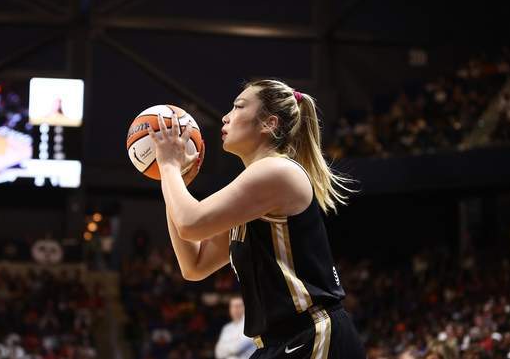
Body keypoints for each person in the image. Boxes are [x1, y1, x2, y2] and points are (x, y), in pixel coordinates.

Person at [148, 79, 365, 359]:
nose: (225, 116)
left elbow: (190, 223)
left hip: (312, 334)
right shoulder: (253, 192)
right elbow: (195, 265)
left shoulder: (277, 171)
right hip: (277, 342)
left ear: (269, 123)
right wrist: (174, 180)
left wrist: (168, 167)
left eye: (238, 106)